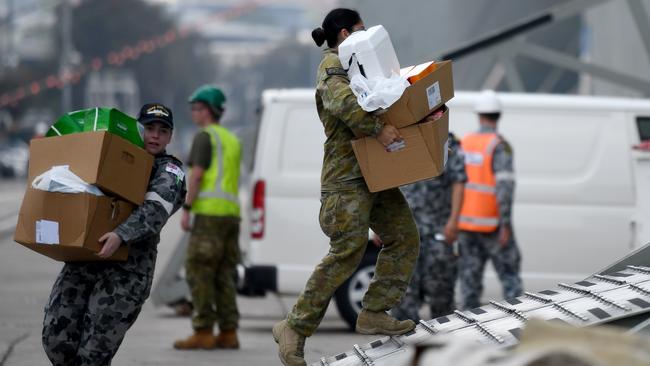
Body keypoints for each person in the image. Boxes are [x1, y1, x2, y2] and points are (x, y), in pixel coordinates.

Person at [272, 8, 420, 366]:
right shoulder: (332, 65)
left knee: (404, 235)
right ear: (343, 35)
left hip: (374, 173)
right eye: (360, 30)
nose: (365, 35)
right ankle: (295, 327)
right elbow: (341, 102)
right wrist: (379, 130)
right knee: (348, 250)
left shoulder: (359, 63)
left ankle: (373, 310)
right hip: (346, 178)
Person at [42, 103, 187, 365]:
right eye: (149, 128)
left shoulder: (169, 171)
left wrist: (121, 234)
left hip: (126, 272)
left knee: (93, 353)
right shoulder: (111, 155)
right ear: (138, 128)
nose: (155, 135)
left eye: (162, 131)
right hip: (85, 259)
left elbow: (156, 209)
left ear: (170, 137)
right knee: (56, 340)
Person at [173, 86, 242, 350]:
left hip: (209, 216)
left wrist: (187, 209)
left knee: (198, 271)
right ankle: (228, 332)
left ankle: (203, 330)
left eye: (198, 108)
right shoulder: (232, 139)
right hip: (231, 217)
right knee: (224, 275)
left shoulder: (204, 137)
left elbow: (197, 175)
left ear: (210, 111)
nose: (194, 113)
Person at [457, 90, 523, 310]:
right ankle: (515, 328)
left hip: (466, 225)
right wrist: (505, 224)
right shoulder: (499, 146)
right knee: (510, 279)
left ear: (479, 115)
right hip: (493, 225)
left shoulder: (464, 143)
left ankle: (467, 333)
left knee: (469, 283)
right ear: (498, 116)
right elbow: (505, 188)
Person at [392, 130, 466, 321]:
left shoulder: (444, 139)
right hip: (405, 231)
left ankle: (442, 346)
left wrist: (454, 221)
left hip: (437, 231)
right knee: (403, 295)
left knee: (441, 294)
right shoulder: (399, 136)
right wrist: (382, 224)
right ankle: (404, 346)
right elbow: (387, 181)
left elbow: (459, 181)